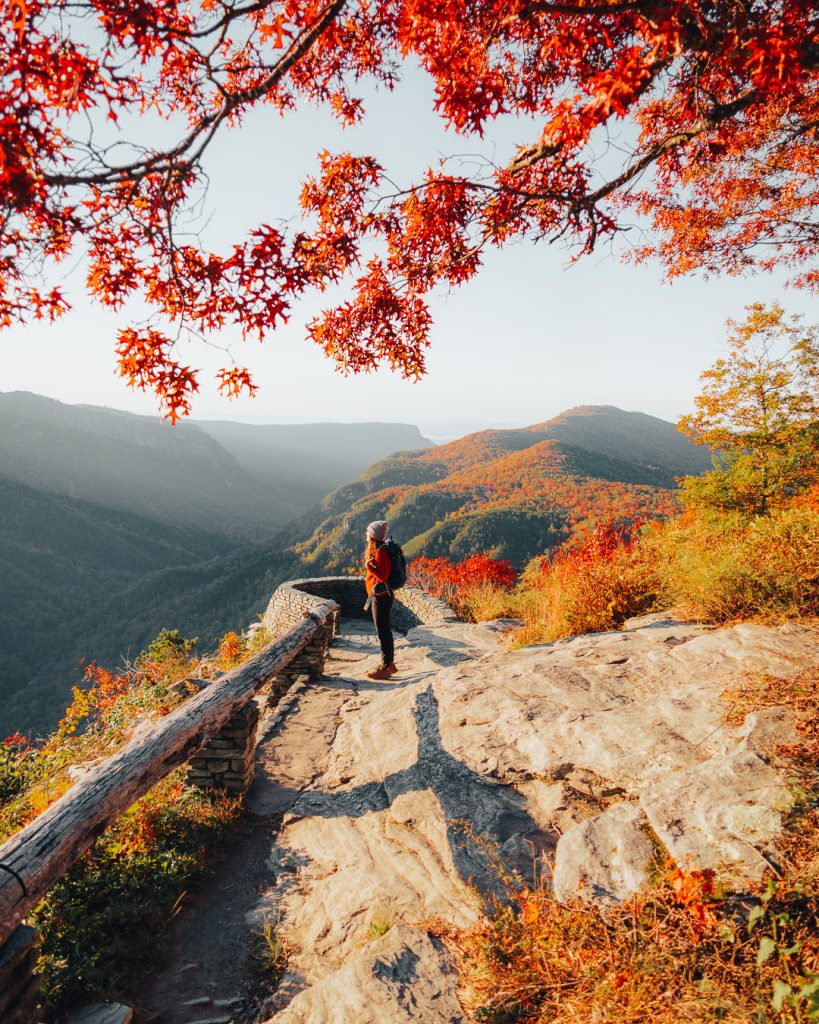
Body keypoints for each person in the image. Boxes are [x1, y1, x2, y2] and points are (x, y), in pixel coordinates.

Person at [364, 520, 397, 680]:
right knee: (384, 630)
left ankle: (386, 666)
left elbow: (383, 576)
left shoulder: (380, 552)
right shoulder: (379, 550)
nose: (366, 534)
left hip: (382, 598)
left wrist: (369, 567)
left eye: (367, 532)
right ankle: (390, 663)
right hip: (381, 596)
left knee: (383, 631)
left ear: (373, 535)